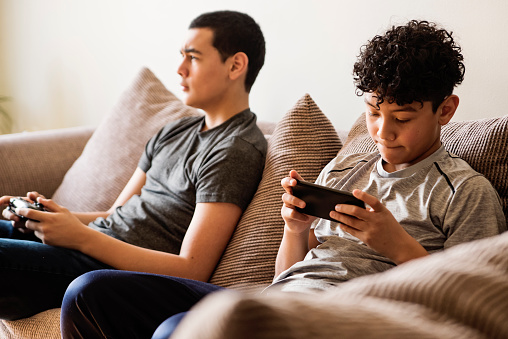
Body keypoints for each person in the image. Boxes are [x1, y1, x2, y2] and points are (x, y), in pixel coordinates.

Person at [60, 20, 506, 339]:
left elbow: (470, 301)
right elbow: (285, 274)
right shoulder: (347, 169)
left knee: (177, 330)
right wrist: (295, 229)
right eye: (373, 113)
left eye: (402, 118)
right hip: (279, 296)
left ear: (445, 110)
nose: (382, 133)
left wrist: (396, 245)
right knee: (90, 291)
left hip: (340, 314)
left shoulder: (466, 192)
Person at [0, 10, 267, 321]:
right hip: (90, 243)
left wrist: (81, 237)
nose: (180, 69)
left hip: (111, 269)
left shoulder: (235, 149)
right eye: (181, 56)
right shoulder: (174, 131)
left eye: (193, 58)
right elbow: (115, 214)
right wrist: (53, 217)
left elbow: (193, 267)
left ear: (235, 65)